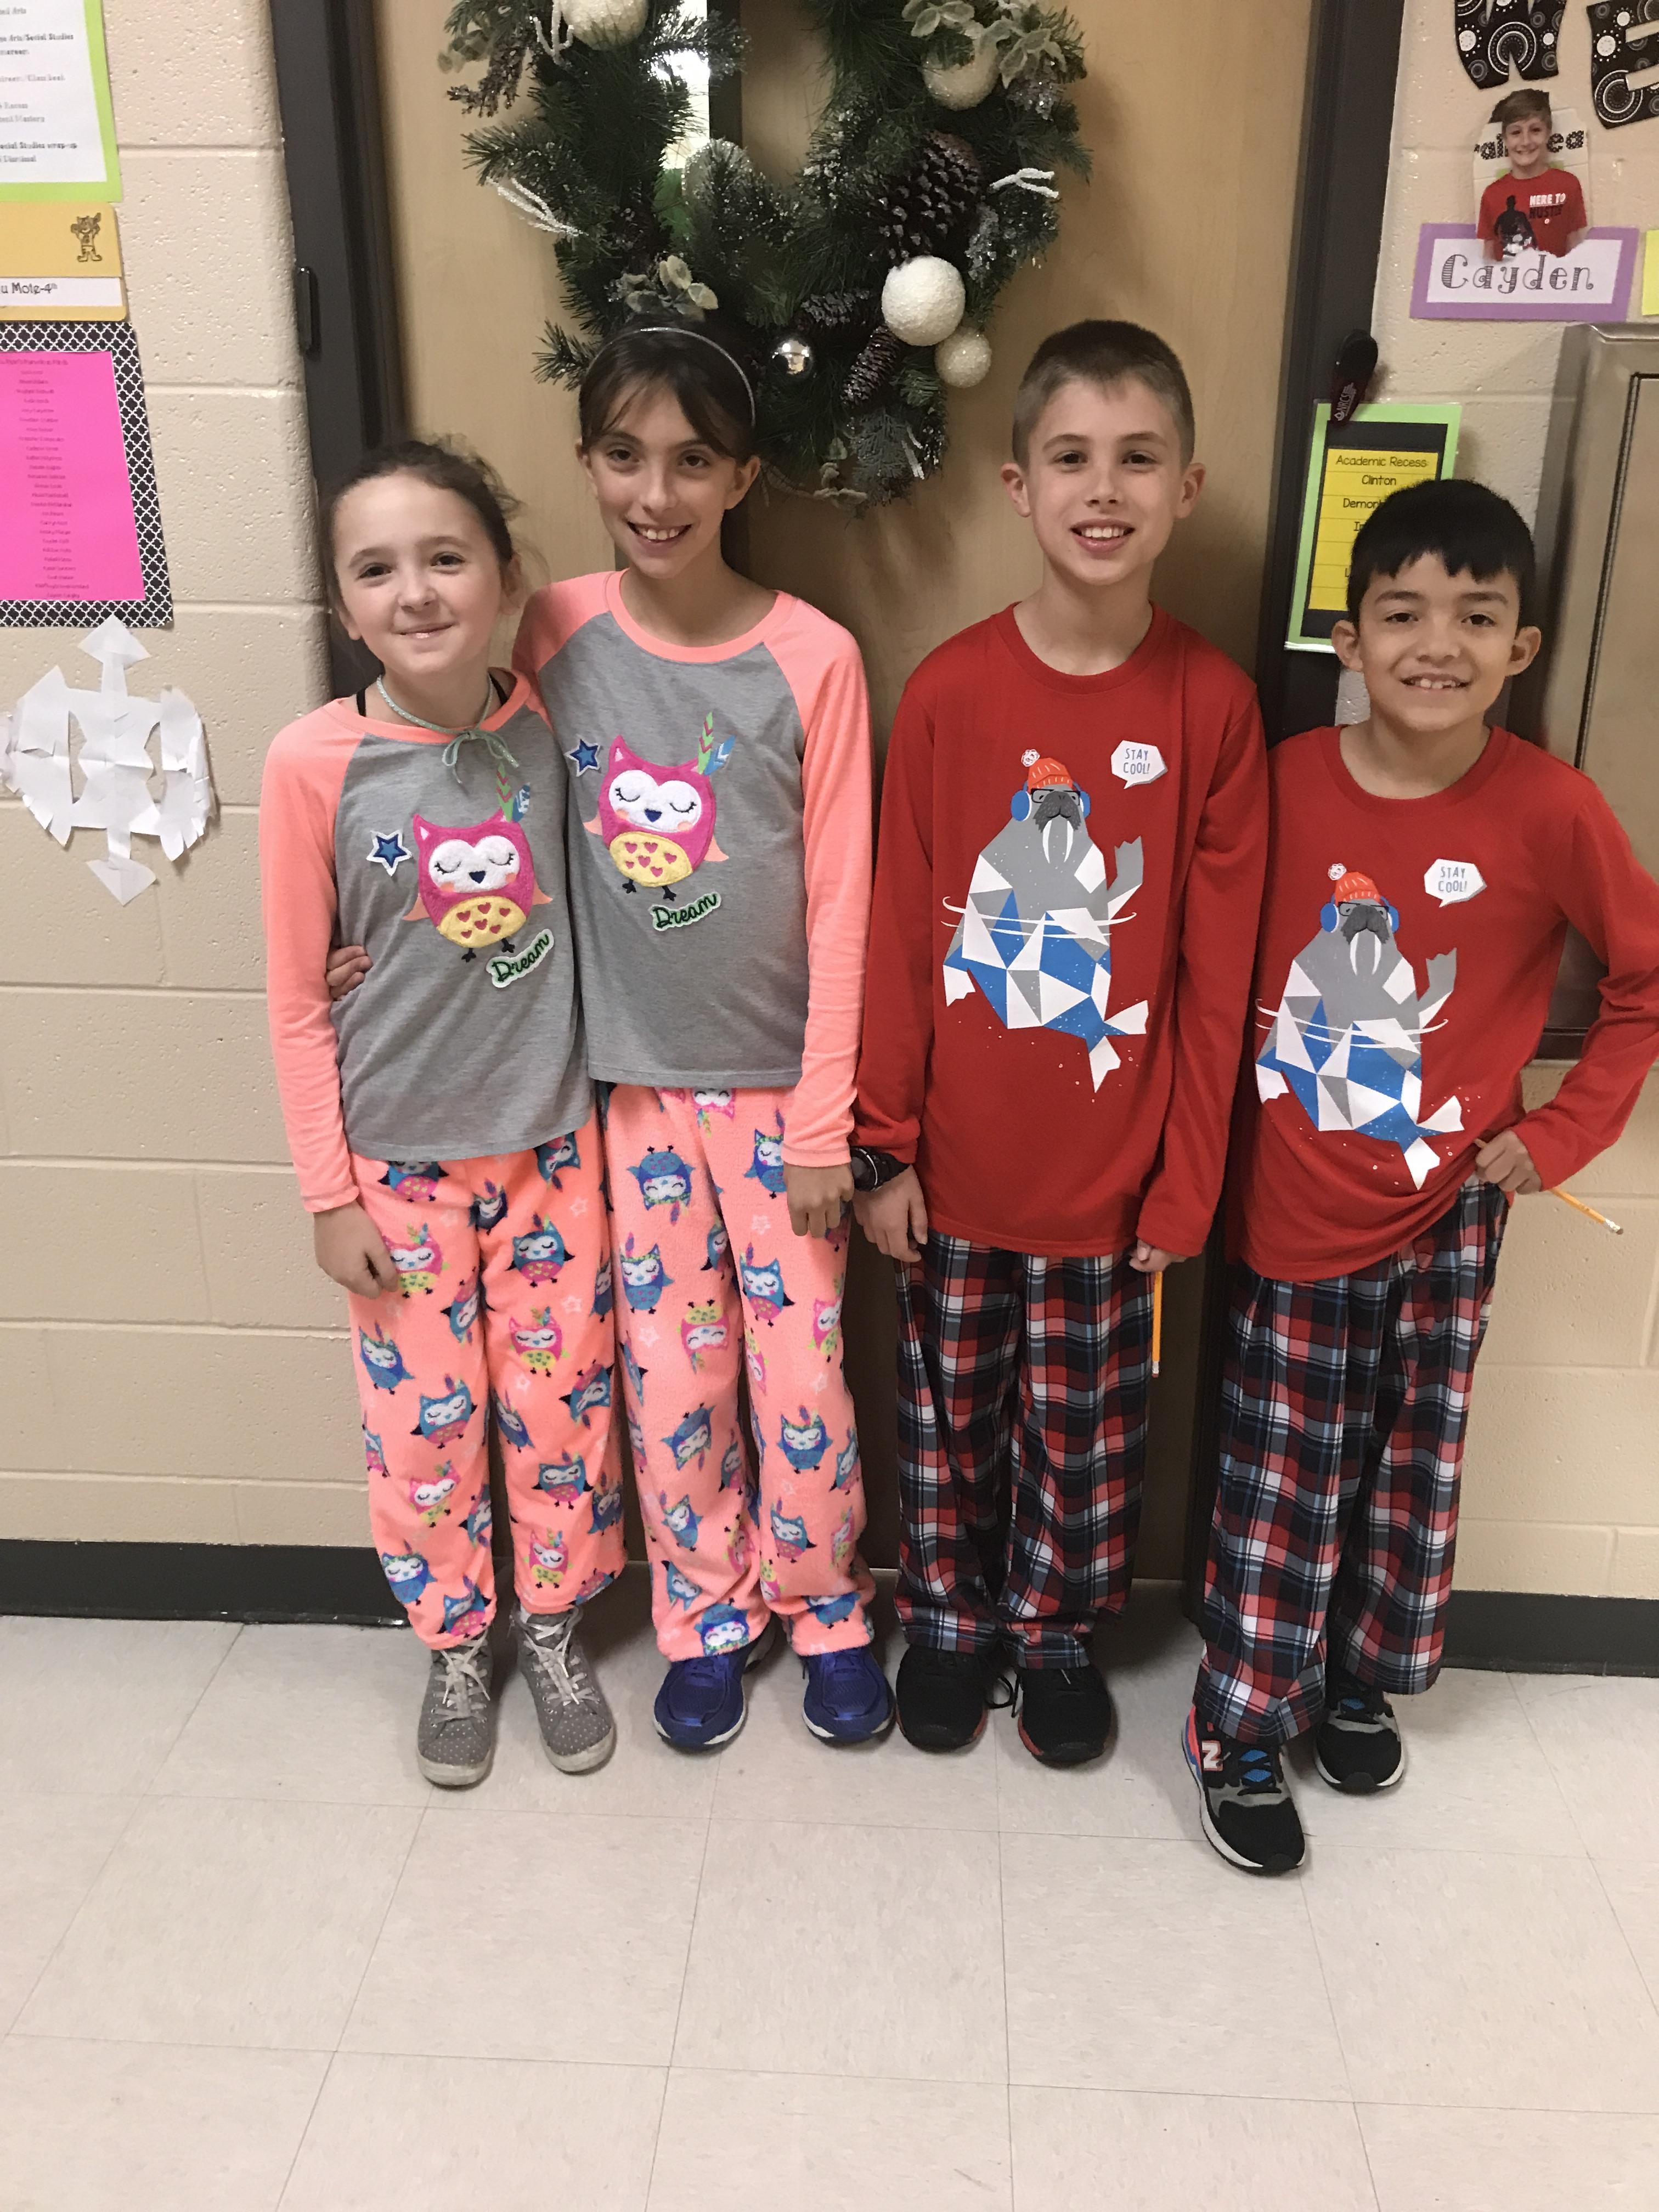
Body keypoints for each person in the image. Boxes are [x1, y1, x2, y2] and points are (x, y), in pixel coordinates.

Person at [1186, 479, 1659, 1875]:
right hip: (1290, 1206)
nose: (1437, 644)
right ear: (1350, 640)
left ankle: (1356, 1677)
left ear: (1522, 646)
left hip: (1450, 1212)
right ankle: (1239, 1723)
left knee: (1408, 1469)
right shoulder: (1281, 783)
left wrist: (1560, 1134)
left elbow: (1643, 981)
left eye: (1475, 615)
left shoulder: (1554, 809)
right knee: (1284, 1483)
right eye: (1402, 613)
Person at [853, 320, 1268, 1767]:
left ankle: (1054, 1634)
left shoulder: (1214, 707)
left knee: (1089, 1444)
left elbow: (1217, 982)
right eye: (1073, 458)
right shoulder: (953, 693)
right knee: (947, 1423)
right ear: (1019, 486)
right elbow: (902, 936)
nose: (1106, 488)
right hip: (953, 1179)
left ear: (1187, 488)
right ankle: (950, 1622)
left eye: (1138, 459)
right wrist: (880, 1149)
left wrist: (1186, 1184)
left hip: (1116, 1191)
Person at [515, 319, 889, 1752]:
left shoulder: (816, 658)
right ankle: (706, 1617)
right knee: (675, 1375)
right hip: (627, 1098)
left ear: (742, 476)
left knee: (804, 1378)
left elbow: (845, 903)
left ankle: (827, 1607)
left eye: (690, 461)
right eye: (625, 456)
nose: (655, 492)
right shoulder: (551, 631)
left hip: (784, 1100)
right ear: (587, 462)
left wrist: (827, 1119)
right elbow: (471, 799)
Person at [260, 440, 622, 1789]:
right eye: (377, 570)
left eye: (446, 557)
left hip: (551, 1153)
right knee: (424, 1436)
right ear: (343, 607)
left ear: (505, 578)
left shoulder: (551, 729)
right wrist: (328, 1195)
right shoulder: (312, 763)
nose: (414, 592)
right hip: (397, 1173)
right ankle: (457, 1645)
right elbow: (297, 1001)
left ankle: (554, 1628)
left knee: (559, 1412)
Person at [1478, 88, 1587, 259]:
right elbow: (1488, 256)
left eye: (1535, 130)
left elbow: (1575, 248)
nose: (1526, 141)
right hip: (1508, 272)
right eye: (1516, 133)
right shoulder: (1492, 195)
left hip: (1554, 275)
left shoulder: (1568, 185)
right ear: (1505, 139)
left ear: (1548, 133)